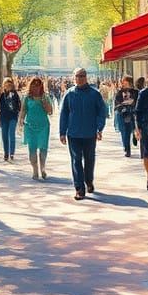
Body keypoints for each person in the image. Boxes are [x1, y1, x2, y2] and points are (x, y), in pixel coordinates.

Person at [59, 67, 107, 200]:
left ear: (86, 77)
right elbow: (64, 114)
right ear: (73, 78)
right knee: (76, 160)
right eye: (77, 76)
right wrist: (62, 132)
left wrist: (99, 128)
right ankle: (79, 188)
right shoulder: (69, 94)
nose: (79, 79)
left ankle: (89, 180)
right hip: (73, 134)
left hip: (90, 133)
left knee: (89, 159)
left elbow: (101, 112)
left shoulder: (94, 94)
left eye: (82, 76)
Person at [18, 75, 53, 180]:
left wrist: (44, 101)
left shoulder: (45, 96)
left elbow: (50, 111)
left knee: (43, 149)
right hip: (30, 126)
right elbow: (23, 110)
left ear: (41, 86)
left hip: (43, 126)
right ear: (31, 85)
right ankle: (35, 169)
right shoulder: (27, 97)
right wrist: (21, 120)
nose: (36, 87)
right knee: (32, 150)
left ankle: (43, 168)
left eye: (38, 85)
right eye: (34, 84)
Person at [0, 76, 21, 161]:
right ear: (4, 85)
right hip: (3, 117)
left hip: (13, 117)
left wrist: (19, 116)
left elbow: (19, 106)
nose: (8, 86)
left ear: (12, 85)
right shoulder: (1, 95)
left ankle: (12, 153)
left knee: (11, 135)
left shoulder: (15, 94)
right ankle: (6, 153)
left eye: (10, 84)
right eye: (6, 84)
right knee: (4, 136)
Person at [114, 75, 139, 157]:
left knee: (134, 129)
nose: (123, 83)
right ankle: (127, 149)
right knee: (125, 132)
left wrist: (130, 104)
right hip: (123, 114)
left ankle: (134, 137)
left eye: (124, 81)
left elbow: (137, 103)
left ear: (129, 82)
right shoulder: (119, 92)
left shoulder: (136, 92)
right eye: (122, 82)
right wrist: (122, 108)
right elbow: (117, 104)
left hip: (133, 113)